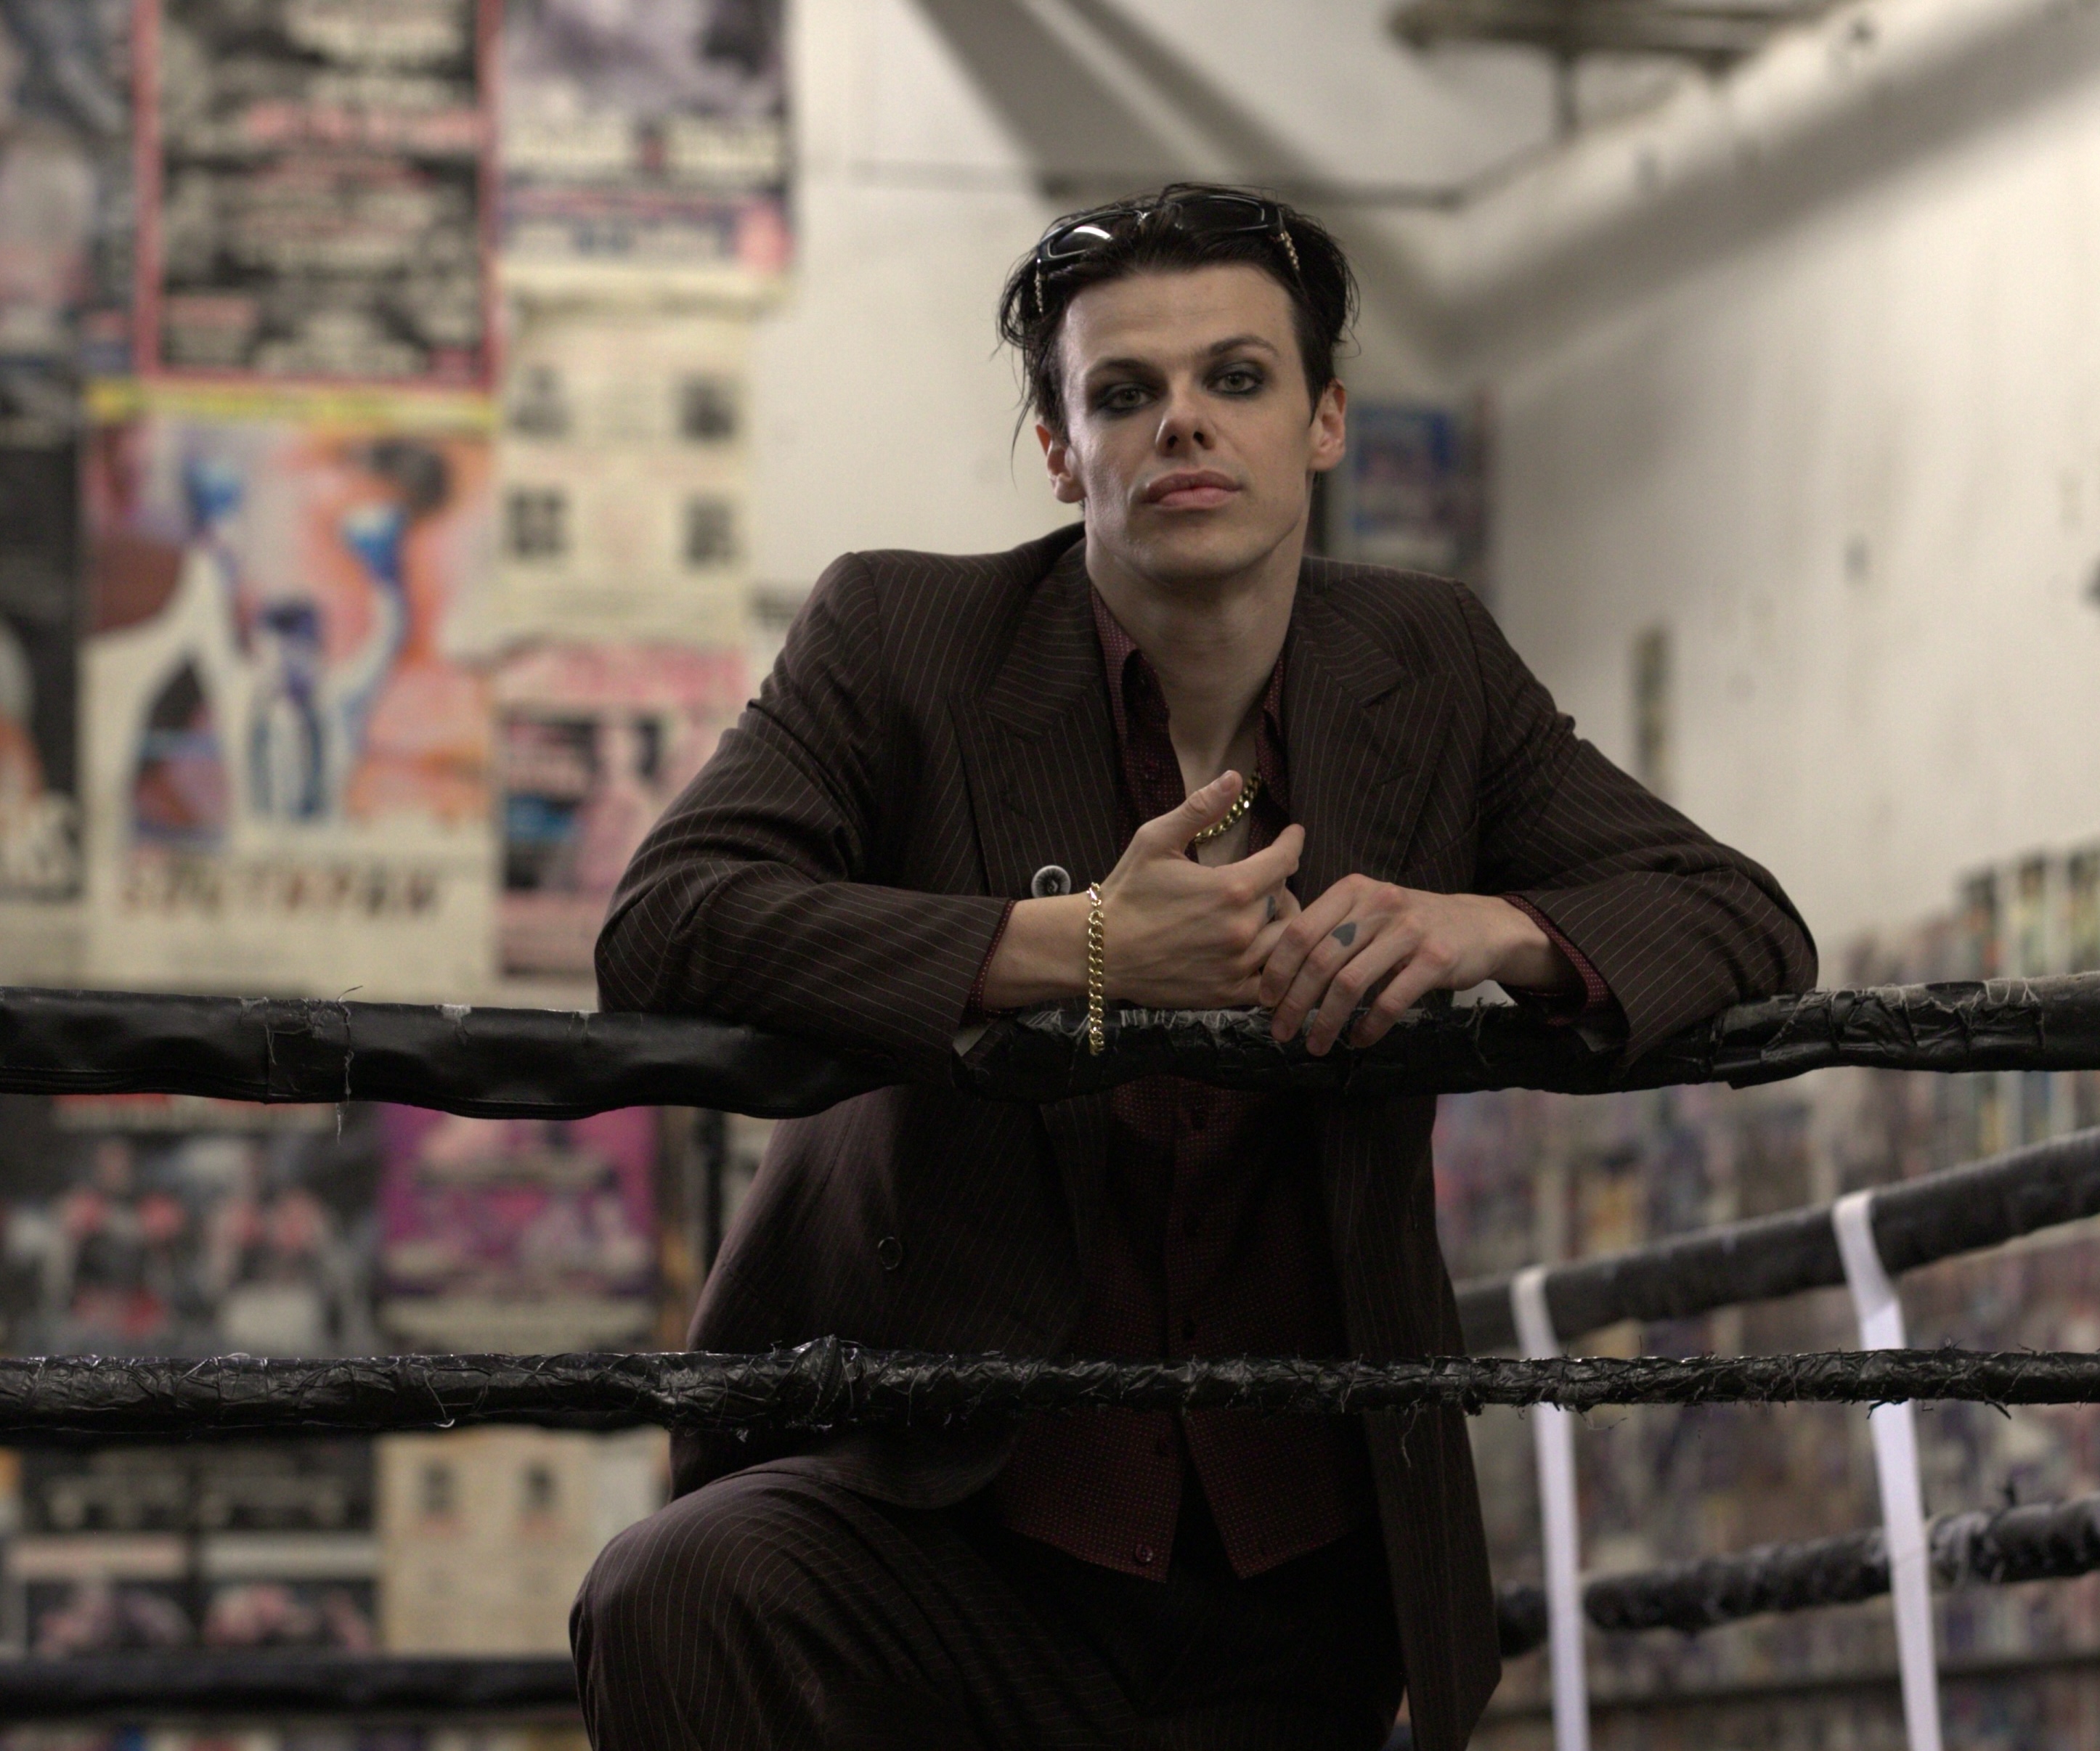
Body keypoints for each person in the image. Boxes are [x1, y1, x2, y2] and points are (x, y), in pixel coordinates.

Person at [571, 182, 1816, 1751]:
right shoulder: (902, 636)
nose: (1183, 424)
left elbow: (1735, 913)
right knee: (675, 1590)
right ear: (1058, 449)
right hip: (945, 1507)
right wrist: (1070, 948)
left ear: (1324, 421)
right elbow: (667, 922)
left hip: (1297, 1566)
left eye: (1236, 377)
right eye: (1123, 393)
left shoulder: (1431, 665)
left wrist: (1488, 926)